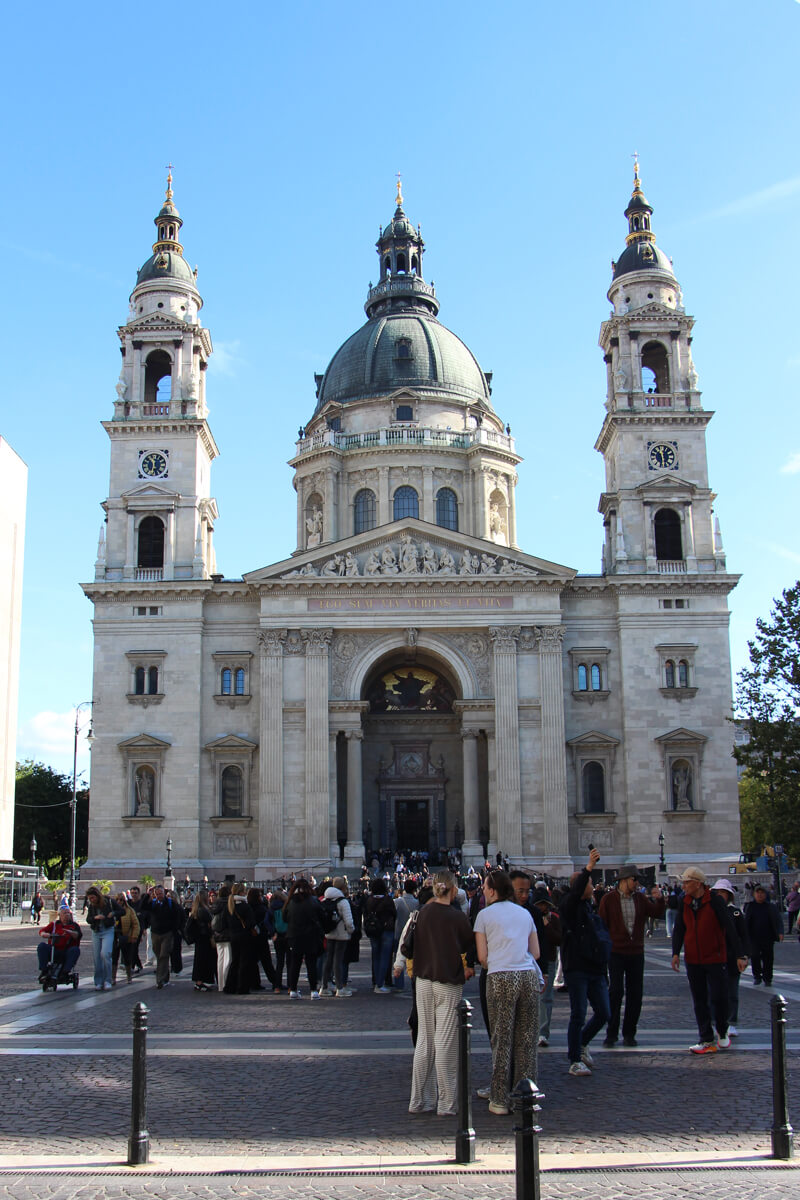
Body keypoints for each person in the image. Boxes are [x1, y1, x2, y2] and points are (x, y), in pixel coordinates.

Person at [473, 869, 542, 1115]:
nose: (482, 891)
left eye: (484, 887)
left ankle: (500, 1099)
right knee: (527, 1040)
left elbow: (482, 958)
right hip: (528, 977)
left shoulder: (484, 915)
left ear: (492, 890)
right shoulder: (524, 913)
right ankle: (526, 1096)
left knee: (502, 1039)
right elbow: (535, 953)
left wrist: (500, 962)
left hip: (501, 977)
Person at [407, 870, 474, 1117]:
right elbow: (470, 946)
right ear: (454, 890)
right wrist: (469, 966)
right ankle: (446, 1104)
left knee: (424, 1041)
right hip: (447, 981)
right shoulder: (456, 917)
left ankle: (418, 1101)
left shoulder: (421, 913)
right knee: (446, 1043)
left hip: (423, 980)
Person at [671, 866, 747, 1054]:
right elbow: (679, 928)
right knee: (699, 999)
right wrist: (675, 953)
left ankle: (722, 1030)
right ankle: (706, 1038)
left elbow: (730, 929)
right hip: (693, 958)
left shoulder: (715, 901)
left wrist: (740, 955)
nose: (684, 885)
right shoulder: (685, 901)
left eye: (687, 882)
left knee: (719, 997)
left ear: (698, 884)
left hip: (714, 957)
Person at [598, 866, 665, 1047]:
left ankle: (629, 1033)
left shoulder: (640, 899)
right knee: (615, 992)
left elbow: (656, 913)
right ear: (625, 880)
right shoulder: (608, 899)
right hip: (616, 952)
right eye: (635, 880)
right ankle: (611, 1033)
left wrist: (659, 900)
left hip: (636, 952)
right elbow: (601, 925)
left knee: (635, 994)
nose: (637, 883)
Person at [559, 848, 611, 1076]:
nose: (592, 886)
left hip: (595, 969)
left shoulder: (590, 908)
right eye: (589, 883)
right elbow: (577, 889)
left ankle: (580, 1043)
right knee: (578, 1014)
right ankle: (574, 1059)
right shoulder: (569, 908)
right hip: (578, 969)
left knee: (604, 1013)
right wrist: (588, 867)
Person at [710, 879, 749, 1035]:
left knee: (732, 992)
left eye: (723, 893)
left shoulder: (736, 912)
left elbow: (744, 936)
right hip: (714, 956)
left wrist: (744, 955)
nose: (720, 895)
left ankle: (731, 1022)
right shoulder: (710, 911)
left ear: (729, 895)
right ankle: (714, 1022)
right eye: (717, 892)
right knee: (713, 993)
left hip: (732, 957)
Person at [284, 877, 325, 998]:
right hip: (310, 935)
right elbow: (321, 916)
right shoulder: (313, 900)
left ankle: (293, 990)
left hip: (294, 936)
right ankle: (314, 991)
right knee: (311, 963)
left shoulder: (290, 901)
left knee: (295, 963)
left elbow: (284, 917)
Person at [532, 887, 561, 1048]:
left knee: (546, 997)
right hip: (532, 961)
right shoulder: (528, 916)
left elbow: (559, 939)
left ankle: (543, 1032)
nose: (542, 908)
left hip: (548, 959)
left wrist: (547, 926)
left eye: (544, 905)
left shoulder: (554, 919)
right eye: (539, 905)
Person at [141, 884, 181, 989]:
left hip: (167, 933)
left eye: (161, 893)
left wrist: (174, 929)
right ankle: (164, 977)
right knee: (159, 956)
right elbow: (143, 907)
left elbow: (179, 915)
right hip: (155, 933)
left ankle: (160, 979)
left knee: (164, 955)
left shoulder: (170, 903)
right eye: (157, 894)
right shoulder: (153, 904)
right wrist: (147, 895)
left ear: (164, 893)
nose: (159, 896)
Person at [320, 877, 355, 996]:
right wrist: (350, 931)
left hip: (329, 933)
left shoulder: (326, 899)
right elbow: (349, 921)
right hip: (341, 935)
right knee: (338, 961)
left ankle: (324, 987)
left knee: (328, 960)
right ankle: (340, 988)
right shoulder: (343, 901)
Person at [745, 882, 783, 986]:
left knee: (768, 959)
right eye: (758, 893)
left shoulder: (771, 907)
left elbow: (778, 920)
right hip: (754, 938)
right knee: (755, 957)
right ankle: (757, 976)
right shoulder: (750, 906)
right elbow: (746, 921)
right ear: (754, 894)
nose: (760, 895)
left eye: (762, 893)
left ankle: (768, 978)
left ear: (765, 895)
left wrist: (780, 932)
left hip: (768, 937)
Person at [84, 886, 122, 991]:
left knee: (106, 954)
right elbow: (88, 919)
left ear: (97, 896)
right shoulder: (92, 905)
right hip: (96, 931)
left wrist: (113, 913)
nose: (92, 900)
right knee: (97, 957)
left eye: (93, 898)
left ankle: (107, 980)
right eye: (90, 898)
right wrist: (95, 918)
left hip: (107, 930)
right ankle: (98, 981)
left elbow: (122, 911)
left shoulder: (109, 901)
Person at [363, 877, 396, 992]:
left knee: (375, 956)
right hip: (386, 930)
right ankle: (380, 984)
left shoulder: (369, 900)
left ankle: (376, 981)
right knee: (385, 957)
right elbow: (394, 914)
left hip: (374, 930)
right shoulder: (388, 900)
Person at [37, 907, 81, 981]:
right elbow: (42, 931)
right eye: (65, 913)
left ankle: (65, 972)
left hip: (67, 951)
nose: (67, 915)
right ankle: (44, 971)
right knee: (42, 946)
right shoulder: (54, 924)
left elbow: (78, 935)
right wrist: (45, 934)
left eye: (68, 913)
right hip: (55, 950)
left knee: (75, 950)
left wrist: (70, 932)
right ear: (60, 915)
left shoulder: (74, 925)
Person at [185, 889, 216, 991]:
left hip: (199, 938)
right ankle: (202, 981)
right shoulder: (203, 910)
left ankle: (199, 981)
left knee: (199, 960)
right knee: (204, 960)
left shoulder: (196, 909)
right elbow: (210, 924)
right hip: (204, 938)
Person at [112, 892, 140, 984]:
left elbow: (135, 924)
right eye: (117, 900)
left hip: (126, 936)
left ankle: (129, 976)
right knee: (114, 957)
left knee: (127, 958)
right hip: (115, 936)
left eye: (121, 900)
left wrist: (134, 936)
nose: (119, 902)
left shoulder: (129, 910)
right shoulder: (112, 911)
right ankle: (113, 978)